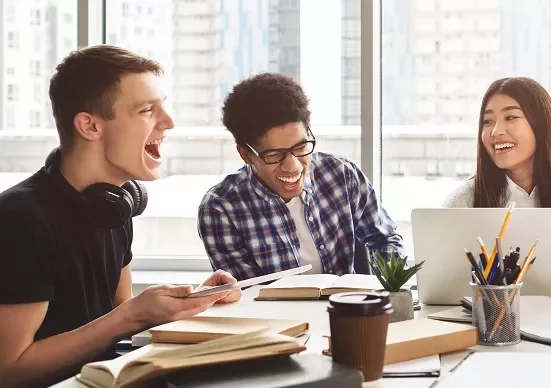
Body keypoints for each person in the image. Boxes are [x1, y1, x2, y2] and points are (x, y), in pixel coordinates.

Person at [0, 45, 241, 387]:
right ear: (90, 126)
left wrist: (194, 300)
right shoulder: (19, 221)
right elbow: (9, 371)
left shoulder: (113, 207)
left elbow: (116, 320)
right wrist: (134, 314)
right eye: (147, 110)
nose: (168, 122)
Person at [198, 73, 405, 280]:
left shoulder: (342, 174)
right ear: (245, 154)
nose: (293, 166)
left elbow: (385, 238)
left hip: (348, 308)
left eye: (301, 147)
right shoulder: (221, 208)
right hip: (276, 313)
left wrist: (390, 287)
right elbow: (249, 295)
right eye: (274, 155)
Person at [442, 77, 551, 291]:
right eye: (487, 121)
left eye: (510, 117)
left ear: (541, 125)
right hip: (484, 321)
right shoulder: (462, 200)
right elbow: (447, 289)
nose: (496, 131)